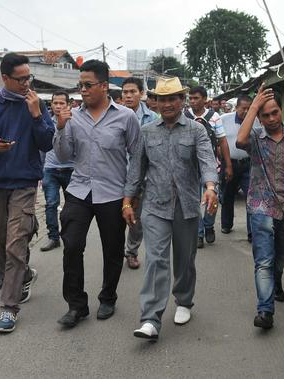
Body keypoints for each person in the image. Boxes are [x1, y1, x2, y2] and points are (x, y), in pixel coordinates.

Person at [123, 77, 218, 340]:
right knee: (156, 259)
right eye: (162, 99)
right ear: (155, 102)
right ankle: (150, 318)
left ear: (182, 100)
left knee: (185, 260)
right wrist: (128, 201)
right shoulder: (147, 132)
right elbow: (136, 170)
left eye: (172, 98)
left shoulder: (196, 130)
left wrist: (210, 186)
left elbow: (207, 160)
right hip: (154, 205)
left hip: (187, 205)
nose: (167, 104)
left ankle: (184, 301)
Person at [0, 52, 55, 334]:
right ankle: (25, 274)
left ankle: (9, 308)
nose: (26, 83)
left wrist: (37, 115)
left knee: (16, 245)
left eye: (29, 77)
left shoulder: (37, 103)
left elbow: (47, 144)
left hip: (25, 184)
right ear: (5, 78)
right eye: (21, 78)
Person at [53, 59, 140, 328]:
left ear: (104, 86)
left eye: (88, 85)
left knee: (112, 249)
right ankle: (77, 305)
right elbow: (64, 156)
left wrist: (129, 196)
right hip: (79, 190)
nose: (83, 90)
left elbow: (136, 158)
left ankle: (108, 297)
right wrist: (60, 127)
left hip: (113, 193)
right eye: (80, 85)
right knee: (72, 246)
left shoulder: (126, 117)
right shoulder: (73, 116)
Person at [236, 85, 284, 329]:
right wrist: (254, 105)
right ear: (259, 117)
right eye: (265, 115)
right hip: (261, 206)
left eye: (274, 113)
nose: (270, 119)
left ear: (281, 111)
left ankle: (277, 280)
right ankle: (265, 310)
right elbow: (239, 140)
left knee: (282, 253)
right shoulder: (256, 138)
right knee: (264, 261)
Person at [184, 86, 232, 248]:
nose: (192, 101)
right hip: (189, 167)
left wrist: (228, 164)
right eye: (190, 98)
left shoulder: (214, 117)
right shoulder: (184, 116)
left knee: (213, 199)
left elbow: (222, 141)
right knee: (194, 202)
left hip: (211, 165)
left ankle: (209, 225)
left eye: (196, 98)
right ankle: (198, 233)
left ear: (205, 99)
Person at [121, 77, 159, 269]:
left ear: (141, 94)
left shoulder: (152, 119)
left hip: (142, 178)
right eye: (125, 92)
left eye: (132, 92)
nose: (128, 96)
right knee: (114, 217)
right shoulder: (114, 116)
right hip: (117, 175)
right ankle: (114, 249)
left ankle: (131, 252)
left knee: (136, 219)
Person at [40, 91, 75, 252]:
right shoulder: (45, 122)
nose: (58, 106)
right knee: (51, 204)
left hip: (71, 170)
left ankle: (69, 236)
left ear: (68, 104)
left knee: (72, 207)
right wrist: (40, 170)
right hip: (50, 169)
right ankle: (53, 237)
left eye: (62, 103)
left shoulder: (75, 121)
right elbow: (41, 147)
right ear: (51, 104)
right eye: (55, 103)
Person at [219, 95, 255, 241]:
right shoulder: (224, 119)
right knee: (227, 195)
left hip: (249, 164)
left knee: (251, 197)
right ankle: (226, 224)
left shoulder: (256, 120)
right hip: (229, 164)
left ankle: (252, 231)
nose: (246, 111)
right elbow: (219, 141)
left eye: (249, 108)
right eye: (243, 108)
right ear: (236, 107)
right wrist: (225, 162)